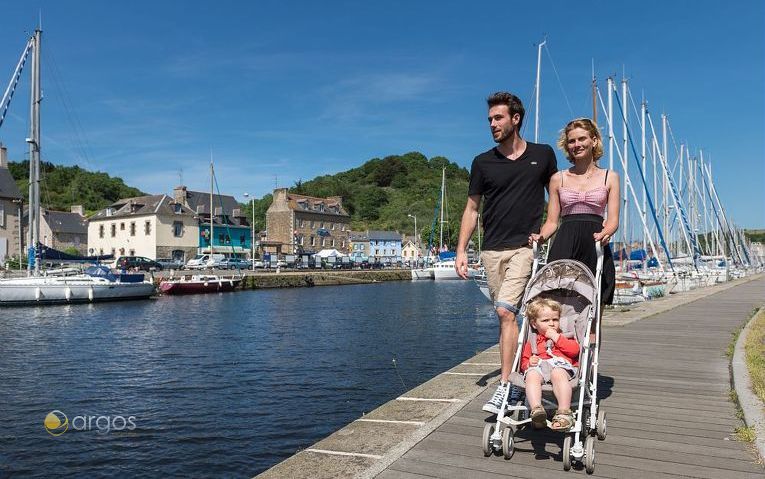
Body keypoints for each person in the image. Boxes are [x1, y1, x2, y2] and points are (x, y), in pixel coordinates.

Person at [456, 91, 558, 414]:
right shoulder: (482, 163)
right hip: (491, 252)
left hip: (524, 248)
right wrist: (461, 249)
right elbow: (472, 209)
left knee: (503, 312)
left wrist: (547, 229)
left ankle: (506, 387)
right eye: (489, 119)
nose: (492, 124)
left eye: (498, 118)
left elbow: (555, 197)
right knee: (509, 319)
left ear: (515, 119)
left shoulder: (542, 156)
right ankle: (523, 375)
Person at [530, 117, 619, 311]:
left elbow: (612, 220)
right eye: (572, 141)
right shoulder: (557, 178)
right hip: (565, 242)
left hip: (595, 242)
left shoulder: (610, 177)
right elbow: (552, 221)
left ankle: (591, 341)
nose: (576, 144)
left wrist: (607, 233)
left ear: (594, 141)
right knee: (558, 305)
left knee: (594, 310)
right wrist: (541, 237)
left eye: (582, 139)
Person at [521, 298, 580, 431]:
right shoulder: (532, 341)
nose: (552, 324)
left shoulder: (565, 336)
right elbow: (524, 362)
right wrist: (529, 363)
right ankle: (537, 409)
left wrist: (557, 338)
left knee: (557, 373)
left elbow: (574, 351)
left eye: (555, 319)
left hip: (560, 366)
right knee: (531, 375)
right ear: (534, 324)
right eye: (545, 320)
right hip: (540, 366)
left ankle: (564, 412)